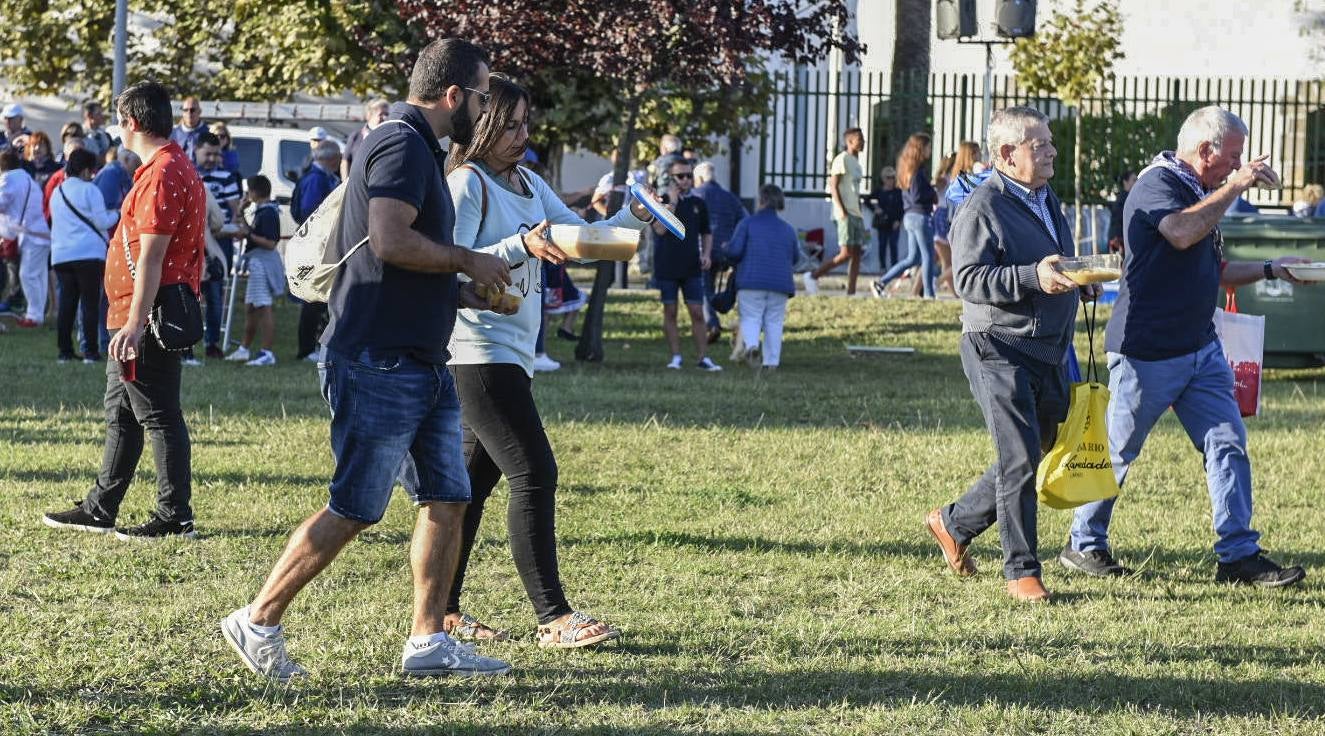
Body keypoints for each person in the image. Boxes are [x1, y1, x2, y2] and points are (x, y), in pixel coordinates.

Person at [221, 38, 514, 682]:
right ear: (454, 96)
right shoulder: (402, 145)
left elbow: (406, 257)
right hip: (378, 359)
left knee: (448, 496)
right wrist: (468, 259)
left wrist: (466, 291)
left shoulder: (420, 149)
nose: (489, 106)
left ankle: (428, 641)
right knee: (357, 504)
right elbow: (388, 240)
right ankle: (258, 619)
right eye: (484, 93)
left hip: (421, 356)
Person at [411, 73, 650, 648]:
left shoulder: (528, 182)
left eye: (526, 124)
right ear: (484, 123)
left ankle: (443, 611)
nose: (523, 135)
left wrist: (638, 219)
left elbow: (581, 238)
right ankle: (553, 616)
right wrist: (520, 245)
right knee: (534, 470)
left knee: (467, 485)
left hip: (513, 355)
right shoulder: (467, 183)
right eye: (511, 124)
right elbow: (453, 260)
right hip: (476, 352)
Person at [1061, 106, 1308, 588]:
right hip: (1146, 351)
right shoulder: (1158, 184)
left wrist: (1273, 268)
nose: (1239, 166)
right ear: (1205, 150)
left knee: (1227, 443)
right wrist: (1235, 186)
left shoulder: (1198, 192)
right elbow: (1178, 233)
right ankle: (1084, 544)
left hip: (1200, 347)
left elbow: (1210, 268)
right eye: (1233, 156)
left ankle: (1238, 555)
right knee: (1118, 452)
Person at [924, 107, 1089, 603]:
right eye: (1040, 146)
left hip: (1048, 350)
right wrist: (1031, 277)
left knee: (1034, 450)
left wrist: (1079, 279)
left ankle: (952, 523)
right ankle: (1021, 572)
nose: (1052, 152)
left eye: (1050, 143)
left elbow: (1052, 259)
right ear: (1006, 154)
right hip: (997, 347)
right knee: (1016, 457)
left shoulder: (1045, 197)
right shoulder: (981, 206)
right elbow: (968, 280)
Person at [41, 80, 206, 540]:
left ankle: (175, 516)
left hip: (145, 317)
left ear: (131, 122)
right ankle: (101, 507)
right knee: (122, 413)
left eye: (119, 120)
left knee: (157, 414)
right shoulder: (170, 167)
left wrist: (135, 324)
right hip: (133, 314)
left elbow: (153, 256)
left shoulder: (162, 173)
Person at [49, 148, 118, 363]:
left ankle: (64, 351)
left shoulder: (56, 192)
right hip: (88, 253)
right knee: (89, 303)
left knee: (67, 304)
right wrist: (118, 213)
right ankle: (90, 351)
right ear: (86, 170)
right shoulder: (91, 191)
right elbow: (102, 222)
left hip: (61, 255)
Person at [653, 159, 720, 371]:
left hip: (692, 266)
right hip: (667, 265)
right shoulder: (662, 200)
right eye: (680, 176)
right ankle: (676, 356)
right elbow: (659, 230)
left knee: (697, 312)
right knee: (670, 311)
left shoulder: (698, 203)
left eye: (689, 176)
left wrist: (707, 254)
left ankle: (703, 357)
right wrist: (671, 203)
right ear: (671, 178)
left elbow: (707, 232)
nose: (686, 180)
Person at [727, 184, 798, 372]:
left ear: (762, 200)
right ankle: (772, 362)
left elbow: (735, 251)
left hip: (751, 280)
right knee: (774, 322)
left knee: (751, 317)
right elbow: (796, 257)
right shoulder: (788, 229)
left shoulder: (747, 224)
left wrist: (725, 248)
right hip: (780, 283)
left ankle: (751, 346)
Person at [194, 131, 243, 359]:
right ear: (196, 151)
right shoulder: (189, 173)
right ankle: (187, 342)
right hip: (194, 240)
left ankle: (212, 342)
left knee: (214, 295)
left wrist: (225, 227)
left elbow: (234, 212)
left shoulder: (227, 177)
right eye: (208, 154)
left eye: (216, 154)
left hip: (218, 240)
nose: (212, 159)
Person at [224, 176, 283, 366]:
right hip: (256, 263)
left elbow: (271, 243)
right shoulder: (261, 211)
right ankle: (244, 348)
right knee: (251, 307)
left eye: (248, 191)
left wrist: (249, 234)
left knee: (263, 307)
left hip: (263, 265)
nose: (247, 195)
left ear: (255, 192)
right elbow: (252, 232)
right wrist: (241, 211)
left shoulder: (269, 213)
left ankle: (267, 352)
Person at [292, 141, 342, 362]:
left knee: (322, 299)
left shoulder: (324, 177)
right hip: (316, 248)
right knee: (312, 299)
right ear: (332, 158)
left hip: (324, 246)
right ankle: (306, 349)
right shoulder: (315, 179)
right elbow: (309, 213)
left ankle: (315, 344)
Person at [871, 133, 937, 299]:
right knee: (928, 256)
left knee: (912, 258)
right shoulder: (917, 171)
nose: (930, 150)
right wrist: (932, 191)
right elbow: (917, 195)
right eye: (928, 147)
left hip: (909, 216)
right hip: (920, 216)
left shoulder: (906, 169)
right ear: (920, 149)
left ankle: (881, 282)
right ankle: (929, 295)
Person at [805, 128, 867, 296]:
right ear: (849, 141)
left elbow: (855, 190)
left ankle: (851, 292)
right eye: (859, 139)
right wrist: (841, 209)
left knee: (857, 254)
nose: (863, 142)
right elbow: (834, 184)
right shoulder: (841, 159)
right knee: (845, 253)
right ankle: (812, 276)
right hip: (844, 213)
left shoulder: (857, 164)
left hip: (856, 213)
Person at [693, 160, 747, 343]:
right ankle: (720, 307)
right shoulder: (730, 197)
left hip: (702, 249)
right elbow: (744, 220)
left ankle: (712, 323)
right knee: (713, 285)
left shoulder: (695, 195)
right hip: (726, 249)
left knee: (703, 287)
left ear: (699, 178)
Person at [0, 149, 51, 327]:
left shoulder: (8, 179)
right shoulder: (28, 179)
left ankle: (34, 315)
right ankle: (37, 314)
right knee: (39, 276)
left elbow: (2, 202)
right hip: (40, 234)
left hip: (29, 235)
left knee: (27, 275)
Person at [342, 98, 390, 180]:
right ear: (369, 115)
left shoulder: (389, 136)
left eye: (387, 114)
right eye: (381, 114)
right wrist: (345, 184)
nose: (385, 118)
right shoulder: (356, 136)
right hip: (356, 185)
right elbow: (345, 161)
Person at [869, 166, 903, 272]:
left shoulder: (898, 192)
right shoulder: (879, 191)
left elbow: (902, 207)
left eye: (893, 177)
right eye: (888, 177)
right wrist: (876, 208)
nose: (891, 180)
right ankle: (882, 267)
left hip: (894, 223)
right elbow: (868, 200)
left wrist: (898, 220)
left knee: (893, 245)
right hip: (882, 223)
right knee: (882, 245)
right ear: (883, 179)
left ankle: (894, 268)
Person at [94, 147, 141, 212]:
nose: (137, 168)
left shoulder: (124, 176)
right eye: (136, 164)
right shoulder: (111, 174)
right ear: (126, 160)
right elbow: (106, 208)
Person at [169, 97, 207, 161]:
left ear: (199, 111)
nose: (189, 113)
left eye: (192, 110)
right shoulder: (173, 134)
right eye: (185, 110)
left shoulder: (208, 133)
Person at [1108, 170, 1137, 253]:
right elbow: (1117, 220)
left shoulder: (1125, 198)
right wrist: (1116, 239)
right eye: (1134, 180)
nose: (1136, 182)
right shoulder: (1125, 199)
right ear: (1125, 182)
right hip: (1120, 242)